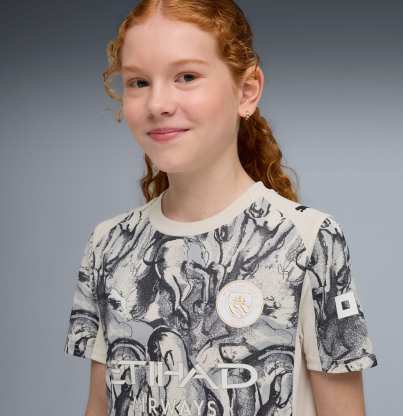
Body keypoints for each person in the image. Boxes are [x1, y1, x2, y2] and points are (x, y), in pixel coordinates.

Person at [63, 1, 379, 415]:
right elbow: (99, 404)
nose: (158, 104)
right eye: (138, 82)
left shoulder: (309, 240)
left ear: (246, 91)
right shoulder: (109, 244)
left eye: (186, 77)